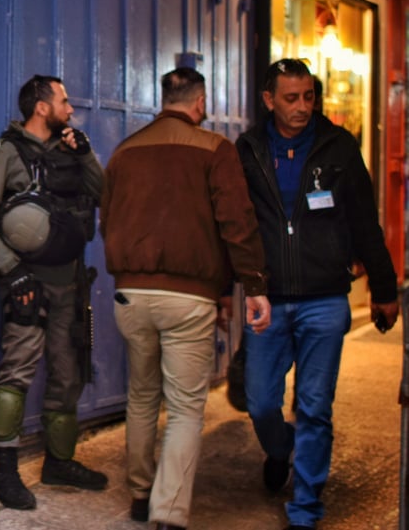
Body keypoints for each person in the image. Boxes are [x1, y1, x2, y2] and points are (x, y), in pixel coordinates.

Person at [100, 67, 271, 530]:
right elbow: (236, 221)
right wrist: (251, 286)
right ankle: (168, 513)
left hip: (130, 295)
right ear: (200, 103)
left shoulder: (124, 151)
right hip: (187, 299)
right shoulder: (216, 149)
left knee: (140, 395)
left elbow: (107, 219)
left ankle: (139, 493)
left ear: (164, 99)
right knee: (185, 407)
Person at [236, 58, 398, 530]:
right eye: (291, 98)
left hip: (325, 298)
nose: (303, 107)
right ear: (269, 100)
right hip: (269, 297)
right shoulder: (247, 149)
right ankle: (282, 449)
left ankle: (305, 505)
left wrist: (385, 290)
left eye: (309, 96)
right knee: (260, 401)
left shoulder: (339, 147)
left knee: (314, 405)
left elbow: (366, 222)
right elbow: (234, 224)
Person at [0, 74, 107, 510]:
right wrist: (12, 271)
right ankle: (5, 472)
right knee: (17, 372)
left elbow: (104, 193)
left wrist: (86, 156)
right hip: (27, 283)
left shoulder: (72, 150)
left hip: (70, 281)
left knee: (68, 373)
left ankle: (60, 462)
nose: (71, 108)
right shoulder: (4, 153)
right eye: (64, 100)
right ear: (42, 107)